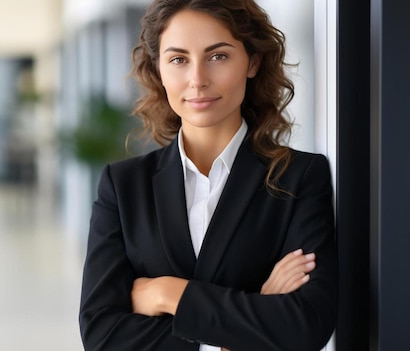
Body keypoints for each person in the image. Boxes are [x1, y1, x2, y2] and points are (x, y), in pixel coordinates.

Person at [78, 0, 338, 350]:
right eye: (178, 59)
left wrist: (167, 293)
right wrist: (241, 326)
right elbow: (102, 335)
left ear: (253, 62)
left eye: (218, 56)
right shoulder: (123, 186)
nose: (197, 79)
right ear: (159, 69)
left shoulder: (300, 177)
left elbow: (306, 325)